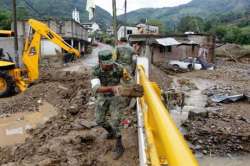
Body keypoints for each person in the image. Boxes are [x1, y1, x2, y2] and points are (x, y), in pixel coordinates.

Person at [91, 49, 132, 160]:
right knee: (99, 120)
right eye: (106, 64)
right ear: (100, 62)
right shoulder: (95, 70)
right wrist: (111, 88)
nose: (109, 66)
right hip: (102, 96)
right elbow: (96, 89)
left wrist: (128, 90)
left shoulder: (119, 68)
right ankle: (111, 132)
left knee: (115, 121)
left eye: (111, 63)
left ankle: (119, 145)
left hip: (116, 97)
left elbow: (129, 81)